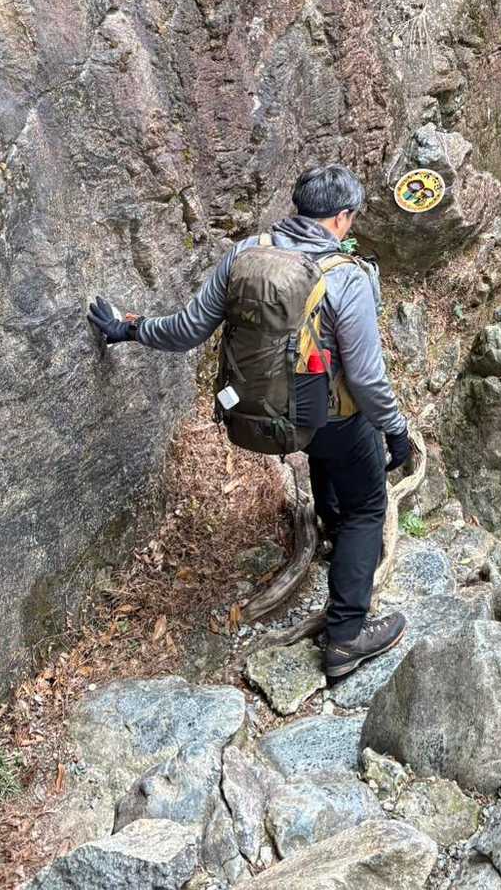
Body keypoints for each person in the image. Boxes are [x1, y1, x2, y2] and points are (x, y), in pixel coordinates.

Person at [87, 164, 410, 683]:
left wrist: (129, 329)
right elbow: (368, 380)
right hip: (333, 419)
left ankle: (330, 533)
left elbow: (188, 329)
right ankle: (346, 638)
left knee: (323, 453)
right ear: (341, 218)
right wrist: (396, 429)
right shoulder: (347, 277)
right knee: (367, 508)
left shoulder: (246, 254)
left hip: (273, 413)